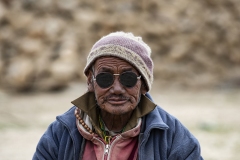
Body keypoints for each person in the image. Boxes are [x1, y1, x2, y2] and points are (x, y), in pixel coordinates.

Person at [33, 31, 203, 160]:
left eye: (128, 78)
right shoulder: (60, 133)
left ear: (143, 85)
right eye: (105, 78)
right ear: (90, 82)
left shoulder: (173, 136)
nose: (117, 89)